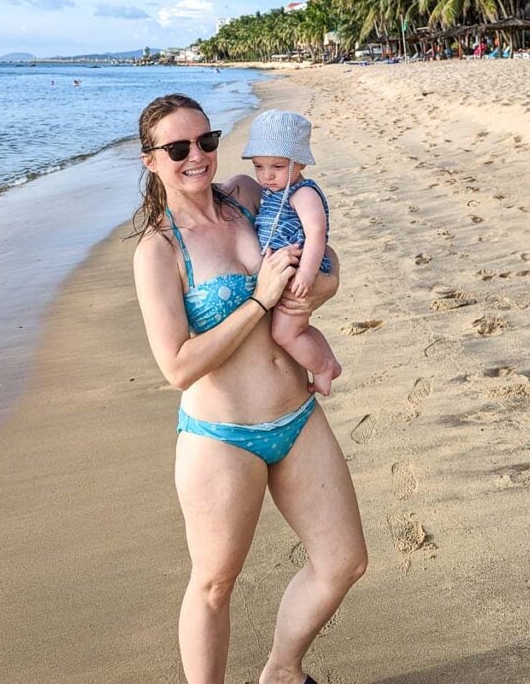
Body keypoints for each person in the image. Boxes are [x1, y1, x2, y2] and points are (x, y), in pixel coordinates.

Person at [132, 94, 367, 684]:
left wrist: (320, 283)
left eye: (206, 141)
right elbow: (179, 367)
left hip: (297, 417)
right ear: (150, 161)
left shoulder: (245, 194)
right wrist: (260, 299)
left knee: (343, 562)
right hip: (222, 437)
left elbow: (322, 246)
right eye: (178, 148)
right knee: (214, 584)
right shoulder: (159, 251)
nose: (197, 157)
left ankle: (282, 672)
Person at [242, 110, 342, 396]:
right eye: (259, 167)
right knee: (299, 327)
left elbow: (316, 235)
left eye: (276, 166)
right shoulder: (274, 192)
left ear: (298, 162)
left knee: (285, 333)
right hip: (291, 270)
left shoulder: (303, 193)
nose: (266, 175)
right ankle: (329, 361)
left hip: (302, 269)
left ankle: (322, 368)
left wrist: (308, 274)